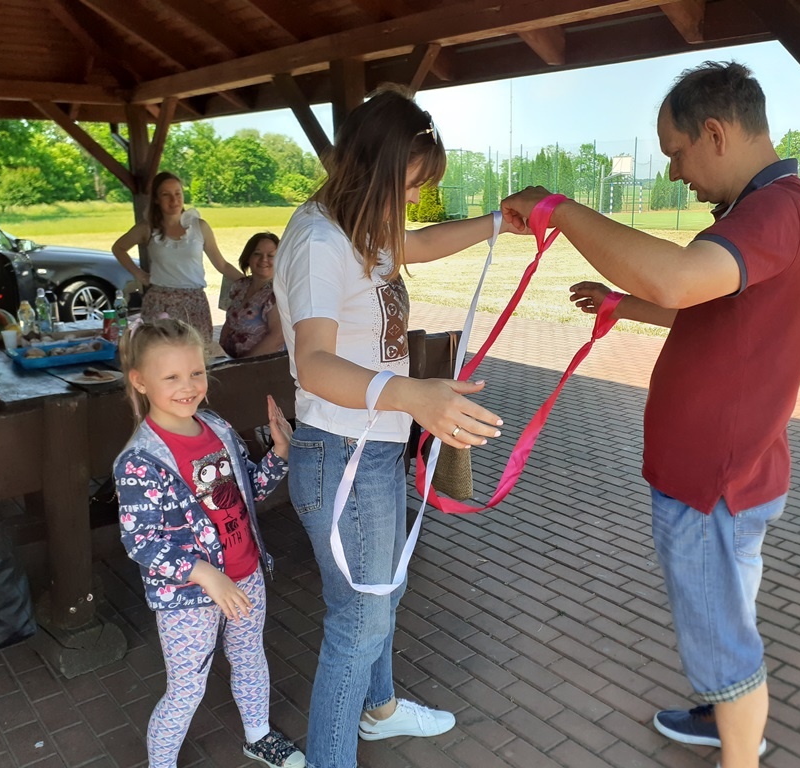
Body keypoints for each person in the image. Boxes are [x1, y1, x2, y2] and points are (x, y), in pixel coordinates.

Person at [501, 61, 800, 768]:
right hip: (729, 476)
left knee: (723, 644)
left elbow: (679, 280)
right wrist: (625, 305)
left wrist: (559, 210)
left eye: (677, 153)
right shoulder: (764, 212)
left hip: (714, 483)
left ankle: (737, 738)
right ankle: (723, 717)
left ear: (715, 133)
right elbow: (713, 309)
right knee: (726, 620)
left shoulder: (776, 213)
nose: (676, 173)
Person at [273, 83, 523, 768]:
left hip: (370, 451)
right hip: (341, 454)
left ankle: (378, 710)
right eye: (410, 184)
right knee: (359, 620)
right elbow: (314, 363)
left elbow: (417, 245)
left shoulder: (359, 227)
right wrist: (413, 395)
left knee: (384, 594)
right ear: (374, 167)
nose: (415, 198)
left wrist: (499, 223)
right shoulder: (320, 240)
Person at [113, 317, 304, 768]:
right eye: (171, 377)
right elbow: (141, 542)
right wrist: (205, 574)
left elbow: (248, 491)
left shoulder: (216, 427)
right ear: (139, 381)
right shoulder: (140, 462)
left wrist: (279, 453)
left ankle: (258, 736)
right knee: (187, 688)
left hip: (245, 574)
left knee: (249, 656)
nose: (188, 386)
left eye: (196, 372)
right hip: (189, 597)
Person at [112, 172, 243, 342]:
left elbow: (222, 265)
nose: (173, 200)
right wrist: (140, 275)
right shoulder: (148, 228)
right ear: (156, 199)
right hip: (160, 302)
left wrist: (251, 283)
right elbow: (119, 248)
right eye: (166, 194)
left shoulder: (199, 227)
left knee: (196, 352)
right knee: (159, 351)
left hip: (194, 304)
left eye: (177, 193)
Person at [219, 232, 285, 358]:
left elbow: (278, 337)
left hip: (260, 364)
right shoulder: (240, 286)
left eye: (270, 255)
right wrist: (221, 351)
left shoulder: (277, 293)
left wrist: (243, 363)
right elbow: (229, 322)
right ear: (248, 258)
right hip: (230, 360)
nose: (264, 259)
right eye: (257, 254)